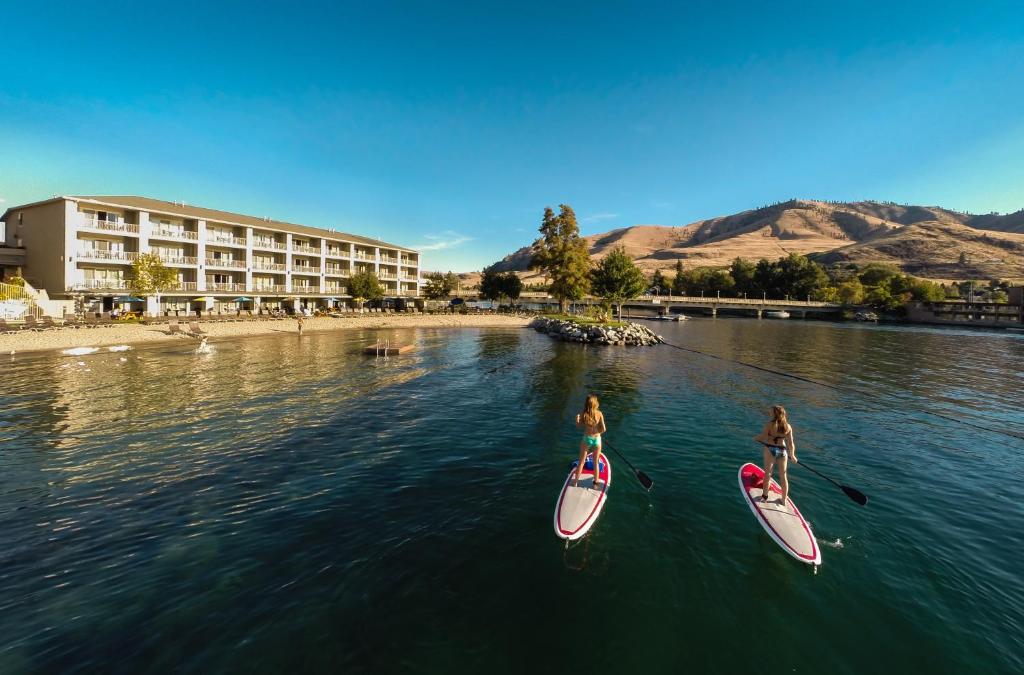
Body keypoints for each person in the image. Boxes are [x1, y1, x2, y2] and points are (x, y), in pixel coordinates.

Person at [754, 405, 798, 506]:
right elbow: (791, 444)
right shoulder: (788, 426)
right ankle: (783, 499)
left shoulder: (769, 424)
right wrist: (793, 455)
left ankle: (764, 496)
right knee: (783, 476)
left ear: (775, 413)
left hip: (770, 449)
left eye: (771, 411)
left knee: (768, 474)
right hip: (783, 451)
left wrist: (755, 438)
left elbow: (763, 437)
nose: (770, 413)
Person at [574, 394, 607, 489]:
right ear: (595, 403)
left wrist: (577, 420)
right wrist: (598, 433)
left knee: (581, 462)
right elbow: (604, 429)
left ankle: (575, 483)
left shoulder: (584, 414)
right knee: (596, 462)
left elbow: (578, 426)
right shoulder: (599, 413)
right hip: (597, 439)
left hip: (586, 439)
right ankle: (595, 483)